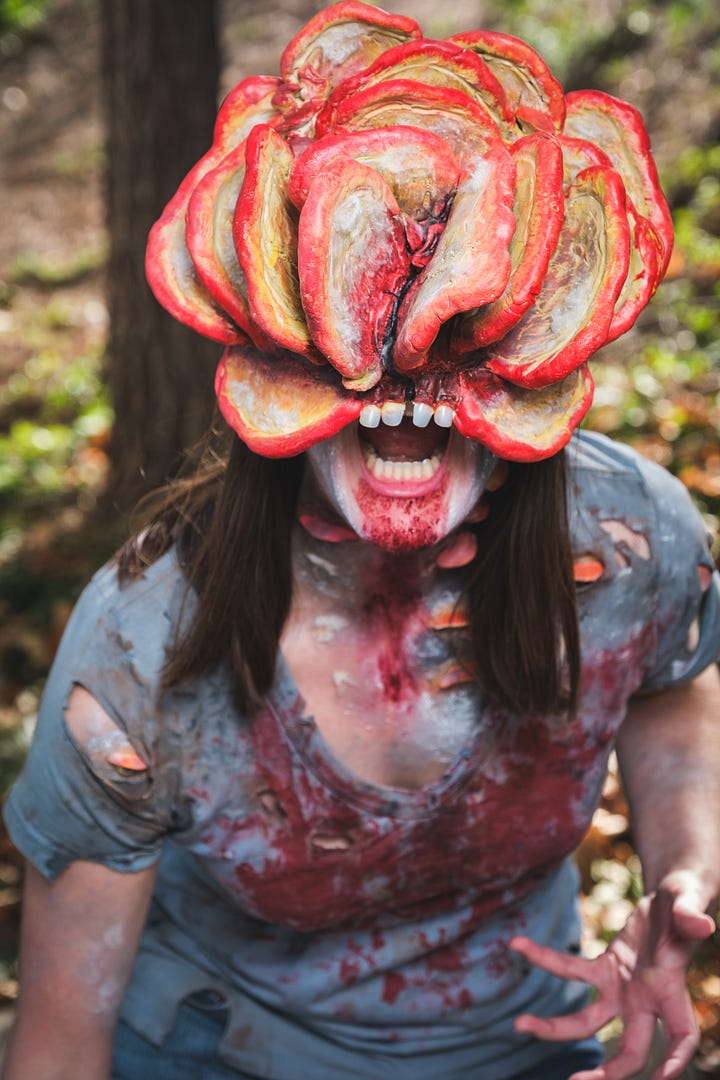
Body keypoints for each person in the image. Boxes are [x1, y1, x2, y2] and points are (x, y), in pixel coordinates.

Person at [3, 5, 720, 1079]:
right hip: (215, 1055)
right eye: (370, 326)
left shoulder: (632, 538)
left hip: (521, 1045)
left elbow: (669, 682)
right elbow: (59, 1039)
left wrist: (684, 872)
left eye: (455, 322)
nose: (404, 373)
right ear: (275, 344)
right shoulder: (140, 645)